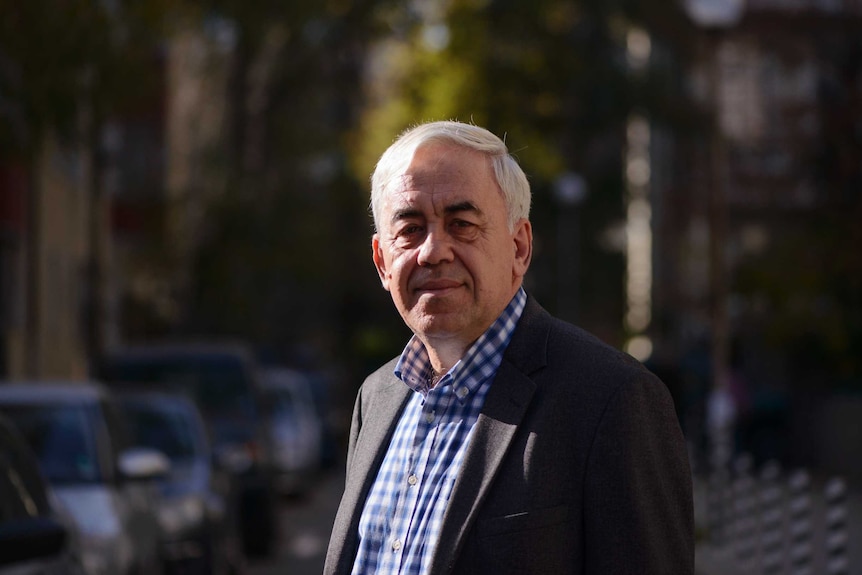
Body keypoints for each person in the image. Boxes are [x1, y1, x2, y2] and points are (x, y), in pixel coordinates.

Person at [324, 120, 693, 574]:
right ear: (382, 261)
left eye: (462, 224)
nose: (433, 251)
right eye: (411, 228)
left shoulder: (610, 400)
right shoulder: (376, 399)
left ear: (519, 247)